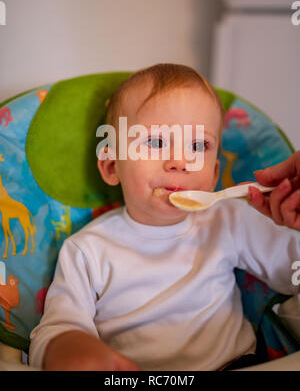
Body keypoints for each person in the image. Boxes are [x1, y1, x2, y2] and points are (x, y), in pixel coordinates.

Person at [29, 64, 300, 371]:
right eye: (156, 142)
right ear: (111, 166)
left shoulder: (227, 219)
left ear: (213, 174)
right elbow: (56, 328)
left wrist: (291, 225)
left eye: (198, 146)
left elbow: (290, 274)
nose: (179, 162)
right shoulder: (87, 250)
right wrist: (72, 350)